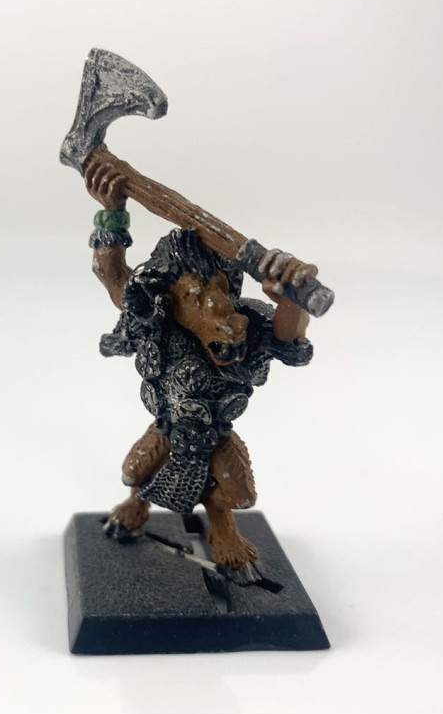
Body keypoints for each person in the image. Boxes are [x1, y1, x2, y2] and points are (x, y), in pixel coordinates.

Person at [85, 160, 317, 569]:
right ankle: (137, 503)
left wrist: (291, 297)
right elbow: (113, 276)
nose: (216, 304)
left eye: (219, 289)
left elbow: (287, 336)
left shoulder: (244, 321)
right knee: (133, 471)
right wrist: (112, 213)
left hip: (215, 433)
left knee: (240, 494)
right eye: (195, 295)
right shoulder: (157, 319)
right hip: (167, 427)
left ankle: (221, 521)